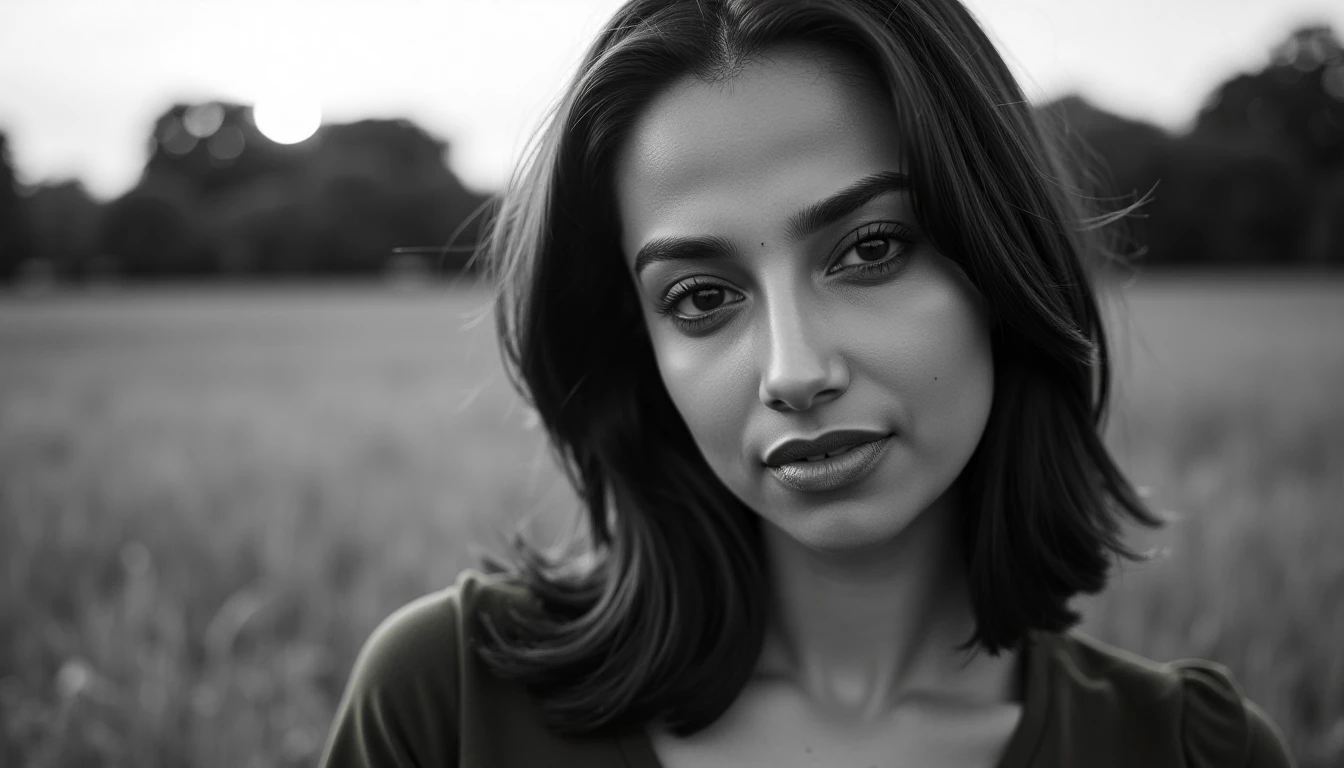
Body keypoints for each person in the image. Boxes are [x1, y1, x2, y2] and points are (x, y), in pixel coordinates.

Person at [320, 0, 1296, 766]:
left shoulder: (1190, 754)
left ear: (1002, 266)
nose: (795, 371)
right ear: (640, 351)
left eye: (871, 249)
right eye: (701, 297)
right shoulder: (447, 705)